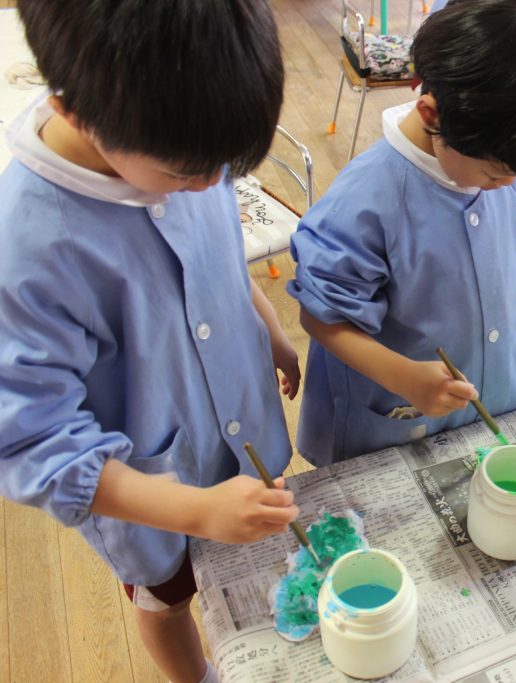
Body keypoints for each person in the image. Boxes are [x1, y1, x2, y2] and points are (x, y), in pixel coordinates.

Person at [0, 2, 302, 682]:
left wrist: (270, 329)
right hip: (152, 494)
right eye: (185, 173)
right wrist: (196, 509)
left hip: (239, 434)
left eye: (221, 166)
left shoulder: (183, 140)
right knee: (166, 600)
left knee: (253, 553)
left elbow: (220, 258)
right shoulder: (26, 247)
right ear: (74, 110)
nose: (210, 183)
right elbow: (34, 443)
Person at [289, 0, 516, 463]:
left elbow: (491, 276)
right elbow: (321, 317)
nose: (506, 185)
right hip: (395, 420)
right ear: (432, 114)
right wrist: (404, 377)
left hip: (488, 397)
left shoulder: (488, 155)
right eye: (498, 172)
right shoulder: (363, 204)